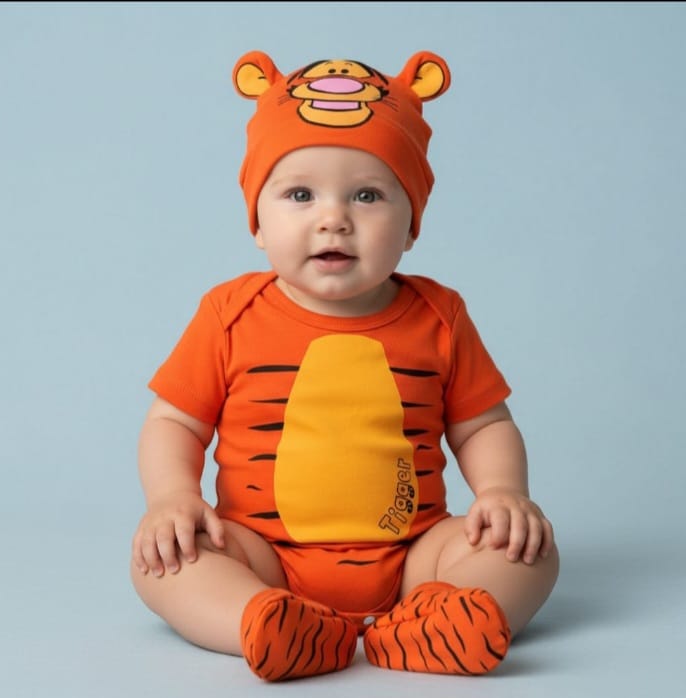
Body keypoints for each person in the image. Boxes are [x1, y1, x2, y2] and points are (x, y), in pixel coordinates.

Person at [130, 49, 559, 682]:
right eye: (300, 194)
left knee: (529, 550)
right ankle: (263, 621)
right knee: (163, 560)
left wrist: (502, 494)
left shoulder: (439, 315)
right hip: (262, 555)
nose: (334, 219)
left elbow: (484, 425)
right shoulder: (229, 313)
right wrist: (172, 498)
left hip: (416, 556)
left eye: (367, 195)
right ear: (257, 221)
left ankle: (440, 620)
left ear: (411, 225)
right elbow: (174, 422)